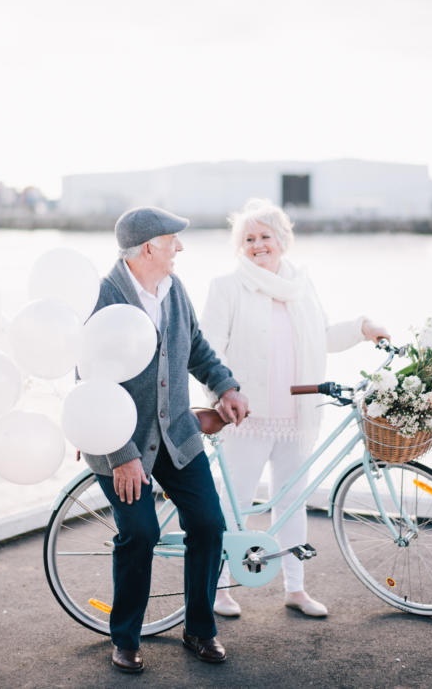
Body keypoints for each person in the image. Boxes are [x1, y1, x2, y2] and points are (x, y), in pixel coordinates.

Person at [200, 198, 389, 619]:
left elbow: (322, 335)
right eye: (248, 238)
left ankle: (296, 588)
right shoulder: (227, 287)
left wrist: (362, 328)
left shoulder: (302, 285)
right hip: (245, 417)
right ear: (240, 247)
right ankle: (221, 590)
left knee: (292, 502)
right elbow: (207, 348)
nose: (257, 244)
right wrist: (221, 391)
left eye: (265, 236)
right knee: (237, 504)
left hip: (296, 416)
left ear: (282, 240)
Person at [81, 206, 249, 673]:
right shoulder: (101, 296)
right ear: (150, 246)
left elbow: (196, 347)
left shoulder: (174, 289)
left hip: (177, 434)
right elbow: (89, 381)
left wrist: (226, 387)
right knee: (140, 532)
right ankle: (126, 638)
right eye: (173, 239)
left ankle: (199, 629)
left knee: (210, 525)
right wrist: (121, 455)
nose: (180, 247)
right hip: (120, 443)